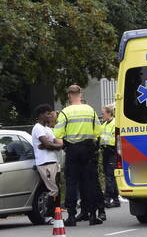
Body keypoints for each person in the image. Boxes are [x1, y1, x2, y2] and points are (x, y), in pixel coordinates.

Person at [53, 85, 102, 226]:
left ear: (69, 96)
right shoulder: (90, 110)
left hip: (73, 150)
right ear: (80, 94)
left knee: (72, 183)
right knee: (90, 182)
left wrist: (66, 144)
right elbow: (98, 131)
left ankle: (72, 216)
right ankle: (93, 215)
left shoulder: (65, 112)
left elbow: (58, 135)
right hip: (88, 149)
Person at [31, 104, 62, 224]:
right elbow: (48, 144)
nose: (50, 116)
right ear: (41, 115)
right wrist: (50, 145)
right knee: (53, 189)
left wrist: (51, 145)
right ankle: (49, 216)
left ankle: (56, 214)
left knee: (57, 188)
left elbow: (57, 143)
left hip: (53, 161)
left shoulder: (48, 129)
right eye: (48, 113)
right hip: (44, 162)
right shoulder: (37, 128)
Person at [99, 104, 120, 211]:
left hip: (113, 152)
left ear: (109, 113)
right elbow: (99, 136)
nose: (102, 115)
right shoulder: (104, 124)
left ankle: (109, 198)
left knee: (110, 176)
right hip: (105, 151)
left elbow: (114, 139)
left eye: (103, 114)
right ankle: (113, 199)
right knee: (109, 175)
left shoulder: (115, 123)